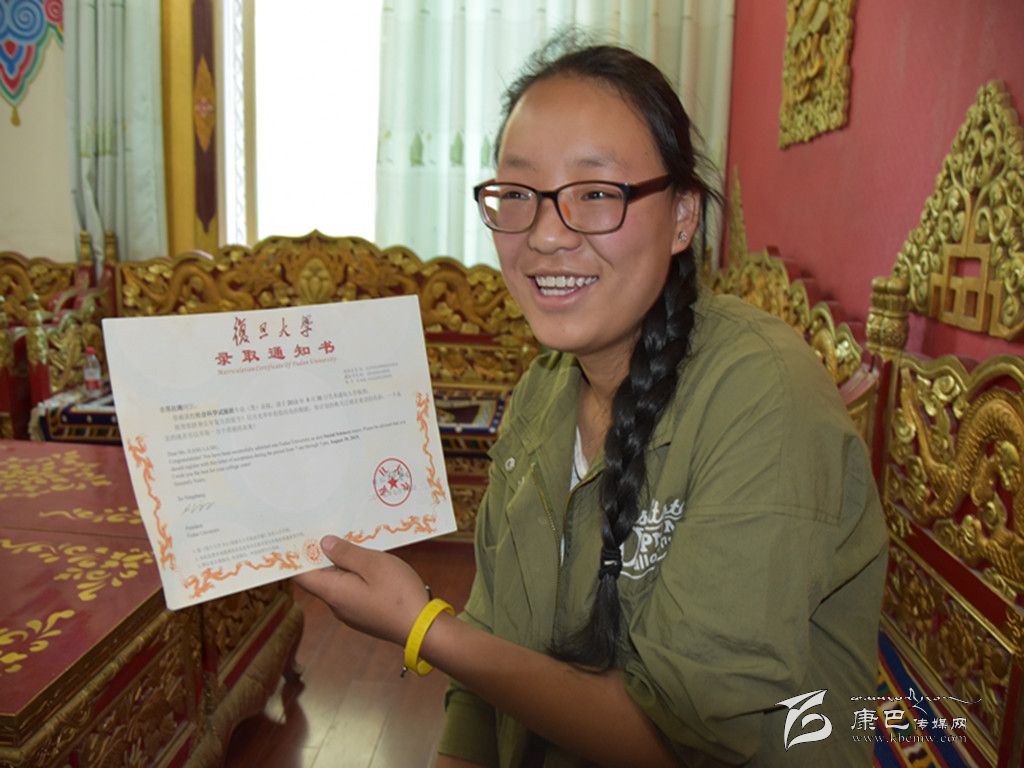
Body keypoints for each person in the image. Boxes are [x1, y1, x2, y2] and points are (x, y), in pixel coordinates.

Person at [297, 40, 888, 767]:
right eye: (519, 194)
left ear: (682, 217)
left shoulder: (765, 399)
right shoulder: (542, 391)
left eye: (597, 194)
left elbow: (681, 741)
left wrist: (422, 627)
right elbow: (489, 658)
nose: (546, 235)